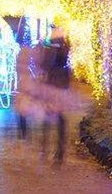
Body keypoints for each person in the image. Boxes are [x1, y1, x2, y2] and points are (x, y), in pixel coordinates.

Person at [40, 27, 71, 164]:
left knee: (50, 117)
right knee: (58, 117)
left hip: (53, 86)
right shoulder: (64, 50)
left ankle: (47, 149)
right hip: (59, 86)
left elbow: (46, 66)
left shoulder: (53, 51)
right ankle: (58, 151)